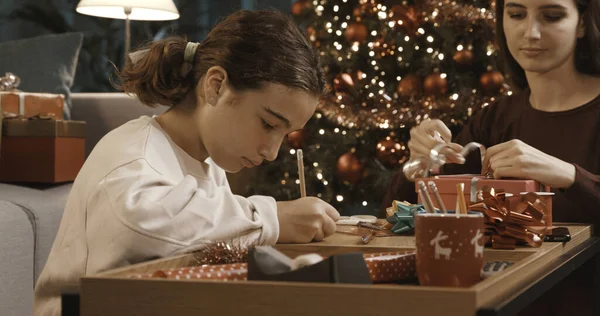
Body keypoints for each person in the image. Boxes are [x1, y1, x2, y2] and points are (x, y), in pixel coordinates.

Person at [34, 9, 340, 315]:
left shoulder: (207, 164)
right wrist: (272, 218)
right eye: (269, 124)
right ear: (216, 85)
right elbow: (139, 228)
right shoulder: (133, 154)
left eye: (286, 135)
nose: (272, 152)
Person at [383, 0, 600, 314]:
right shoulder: (494, 120)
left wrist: (569, 175)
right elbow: (398, 217)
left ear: (582, 24)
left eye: (551, 16)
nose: (531, 32)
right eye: (516, 14)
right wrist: (418, 164)